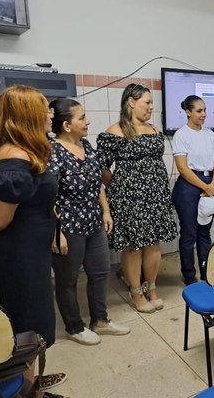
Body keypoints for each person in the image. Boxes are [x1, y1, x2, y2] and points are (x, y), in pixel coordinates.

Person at [0, 86, 66, 397]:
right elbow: (1, 219)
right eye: (44, 110)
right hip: (20, 255)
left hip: (31, 251)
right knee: (27, 322)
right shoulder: (12, 158)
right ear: (26, 117)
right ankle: (25, 390)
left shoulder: (27, 152)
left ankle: (30, 386)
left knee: (34, 320)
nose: (50, 114)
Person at [48, 99, 130, 345]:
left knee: (100, 271)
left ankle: (100, 320)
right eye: (82, 118)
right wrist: (56, 231)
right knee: (67, 279)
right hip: (67, 227)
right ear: (66, 125)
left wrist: (106, 211)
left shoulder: (86, 145)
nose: (88, 122)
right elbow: (47, 196)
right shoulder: (52, 152)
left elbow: (98, 184)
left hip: (93, 223)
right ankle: (74, 327)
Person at [96, 83, 177, 313]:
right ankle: (135, 292)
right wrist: (119, 185)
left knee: (153, 244)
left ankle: (151, 288)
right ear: (131, 102)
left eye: (151, 103)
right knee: (132, 246)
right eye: (147, 102)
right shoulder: (115, 131)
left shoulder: (153, 129)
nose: (151, 107)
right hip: (129, 199)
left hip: (156, 196)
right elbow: (100, 166)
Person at [172, 95, 214, 285]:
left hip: (210, 183)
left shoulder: (209, 134)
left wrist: (212, 186)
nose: (204, 114)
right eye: (199, 111)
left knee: (204, 232)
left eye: (205, 110)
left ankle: (206, 270)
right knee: (189, 233)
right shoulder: (181, 135)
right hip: (189, 186)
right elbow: (183, 168)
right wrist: (205, 187)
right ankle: (189, 276)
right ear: (188, 112)